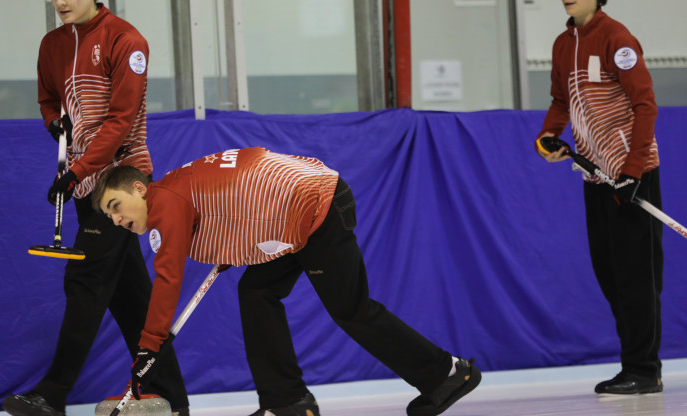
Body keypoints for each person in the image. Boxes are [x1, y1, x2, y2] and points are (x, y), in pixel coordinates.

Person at [91, 147, 482, 416]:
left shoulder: (166, 203)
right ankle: (287, 402)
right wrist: (239, 247)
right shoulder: (179, 188)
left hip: (317, 210)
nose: (116, 220)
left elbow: (169, 276)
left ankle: (448, 374)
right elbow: (238, 198)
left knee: (352, 310)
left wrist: (149, 346)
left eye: (116, 207)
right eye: (109, 216)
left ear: (139, 189)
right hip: (296, 211)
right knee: (256, 290)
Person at [2, 0, 190, 415]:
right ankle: (174, 400)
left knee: (84, 280)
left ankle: (51, 394)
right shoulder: (52, 45)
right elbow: (49, 98)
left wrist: (78, 169)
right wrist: (54, 122)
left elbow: (121, 119)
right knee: (131, 300)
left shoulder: (127, 41)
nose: (61, 1)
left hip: (124, 184)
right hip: (85, 184)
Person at [534, 0, 663, 395]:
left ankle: (644, 371)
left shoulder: (617, 38)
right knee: (609, 273)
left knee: (636, 277)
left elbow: (645, 106)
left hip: (632, 173)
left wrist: (633, 169)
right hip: (596, 176)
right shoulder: (562, 44)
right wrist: (548, 136)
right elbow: (560, 101)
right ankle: (635, 365)